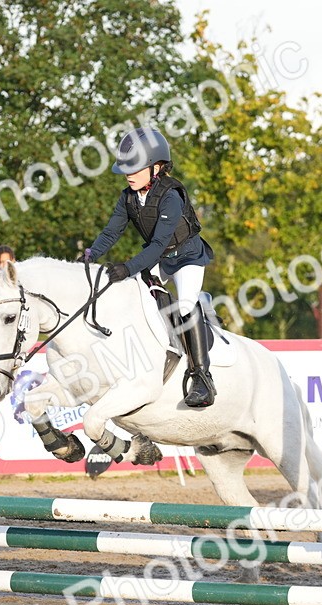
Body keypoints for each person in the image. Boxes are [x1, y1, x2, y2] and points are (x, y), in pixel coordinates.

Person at [86, 127, 217, 407]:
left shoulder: (171, 195)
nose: (128, 175)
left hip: (187, 258)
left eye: (135, 168)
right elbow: (111, 233)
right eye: (126, 169)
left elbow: (158, 244)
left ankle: (202, 378)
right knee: (135, 297)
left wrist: (127, 268)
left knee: (183, 306)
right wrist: (88, 256)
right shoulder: (128, 197)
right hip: (161, 258)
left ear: (156, 167)